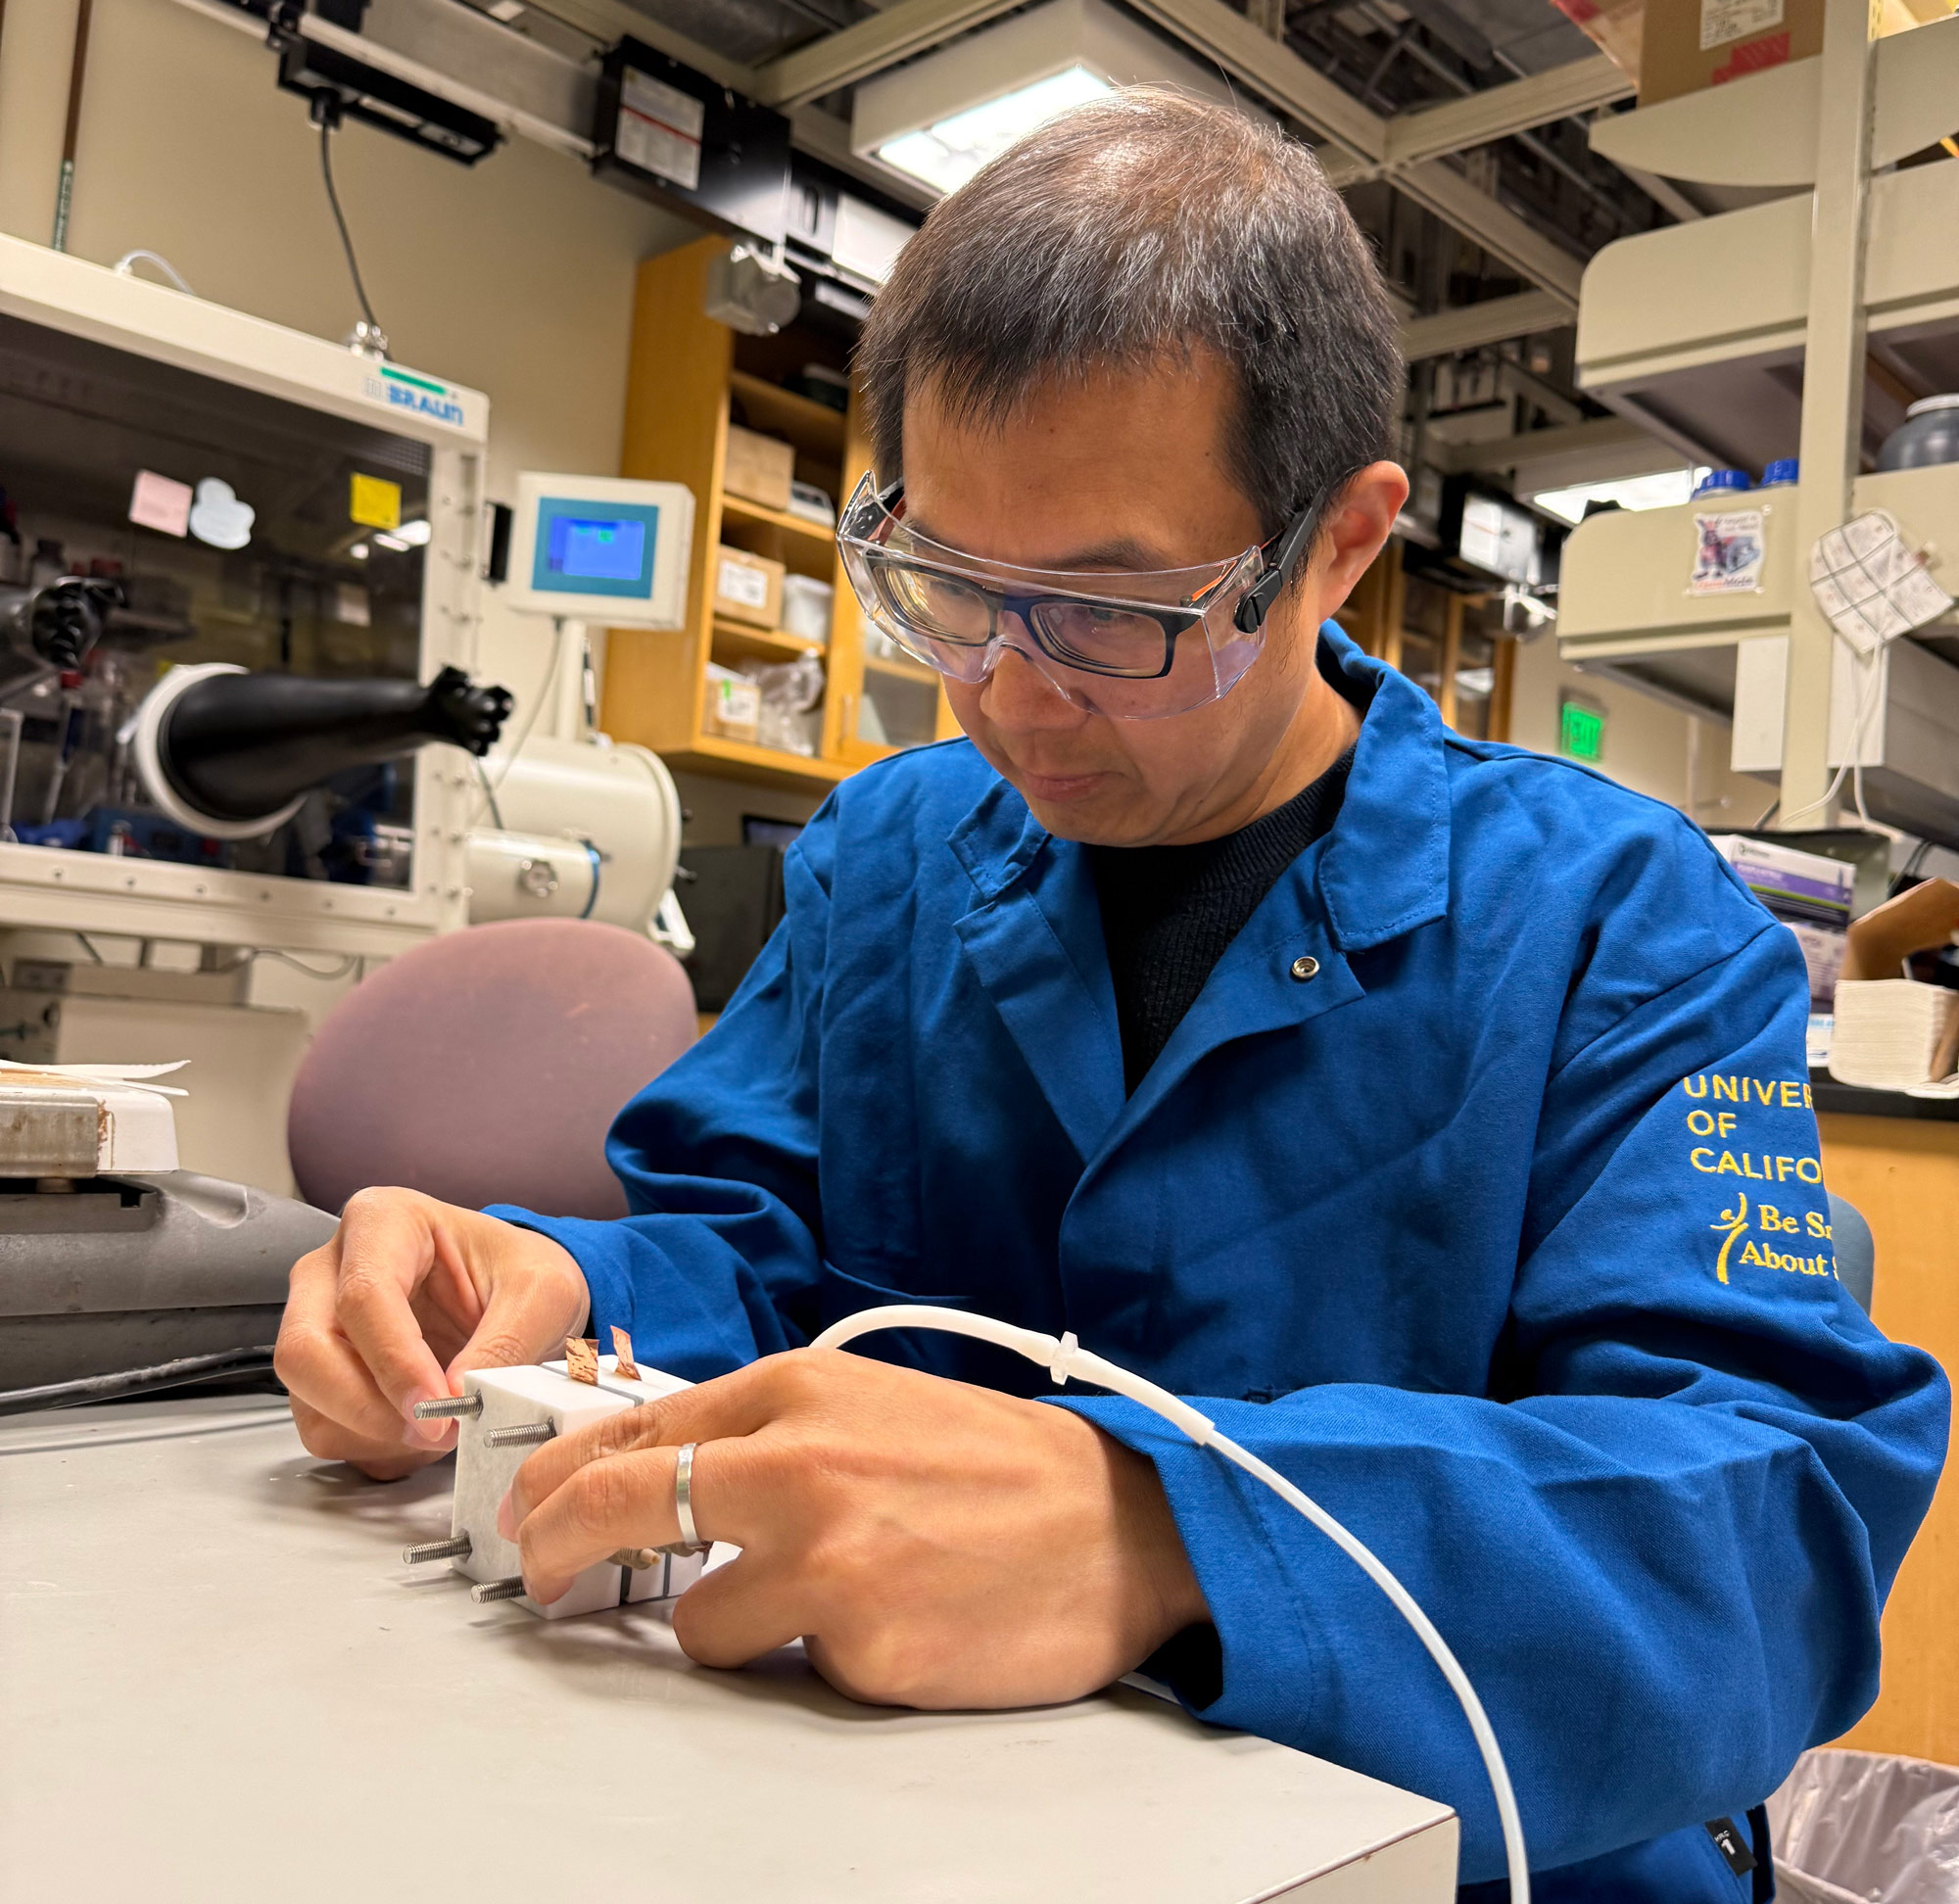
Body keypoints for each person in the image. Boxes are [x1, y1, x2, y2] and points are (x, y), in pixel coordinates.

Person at [275, 89, 1946, 1901]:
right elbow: (756, 1253)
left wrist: (1162, 1532)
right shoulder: (892, 857)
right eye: (947, 585)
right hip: (921, 1822)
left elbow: (1766, 1529)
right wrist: (552, 1288)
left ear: (1339, 542)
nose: (1009, 693)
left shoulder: (1619, 919)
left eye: (1108, 610)